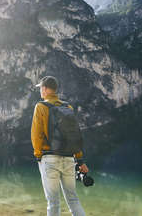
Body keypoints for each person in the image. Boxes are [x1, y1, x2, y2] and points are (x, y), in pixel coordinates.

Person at [31, 76, 89, 216]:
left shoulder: (41, 106)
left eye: (41, 88)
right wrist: (79, 160)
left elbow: (36, 135)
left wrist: (39, 156)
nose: (40, 91)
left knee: (53, 202)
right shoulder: (67, 107)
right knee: (73, 199)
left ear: (44, 89)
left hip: (49, 158)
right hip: (69, 158)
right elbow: (74, 135)